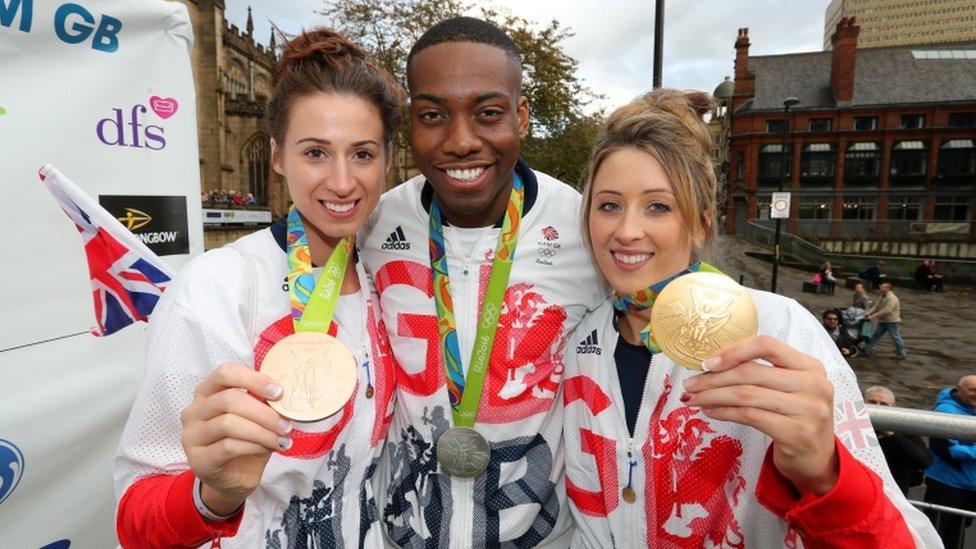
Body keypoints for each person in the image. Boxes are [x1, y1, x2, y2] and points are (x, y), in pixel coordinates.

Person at [562, 89, 939, 547]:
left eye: (658, 206)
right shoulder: (580, 339)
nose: (626, 230)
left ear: (700, 224)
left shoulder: (779, 329)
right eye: (609, 205)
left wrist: (823, 471)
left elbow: (905, 539)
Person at [114, 29, 402, 547]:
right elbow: (136, 520)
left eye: (362, 154)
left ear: (386, 159)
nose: (342, 182)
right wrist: (213, 496)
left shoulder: (390, 278)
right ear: (275, 156)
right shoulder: (217, 287)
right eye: (315, 152)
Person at [359, 17, 603, 547]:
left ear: (521, 116)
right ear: (409, 125)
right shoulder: (374, 225)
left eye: (488, 114)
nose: (461, 141)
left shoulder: (586, 231)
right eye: (433, 116)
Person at [923, 375, 976, 549]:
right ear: (958, 389)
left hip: (969, 486)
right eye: (972, 390)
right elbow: (951, 451)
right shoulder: (947, 411)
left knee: (958, 530)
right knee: (935, 531)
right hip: (946, 483)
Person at [864, 386, 931, 496]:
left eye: (884, 404)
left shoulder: (903, 427)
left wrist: (891, 435)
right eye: (872, 402)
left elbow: (923, 461)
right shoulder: (851, 426)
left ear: (893, 407)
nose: (877, 407)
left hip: (892, 492)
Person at [864, 282, 907, 359]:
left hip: (892, 321)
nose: (881, 287)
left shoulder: (892, 298)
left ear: (888, 289)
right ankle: (867, 350)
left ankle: (902, 353)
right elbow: (876, 306)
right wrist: (868, 314)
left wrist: (873, 316)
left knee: (895, 337)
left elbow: (887, 310)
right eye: (881, 286)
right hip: (883, 321)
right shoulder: (882, 296)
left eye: (883, 287)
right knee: (876, 335)